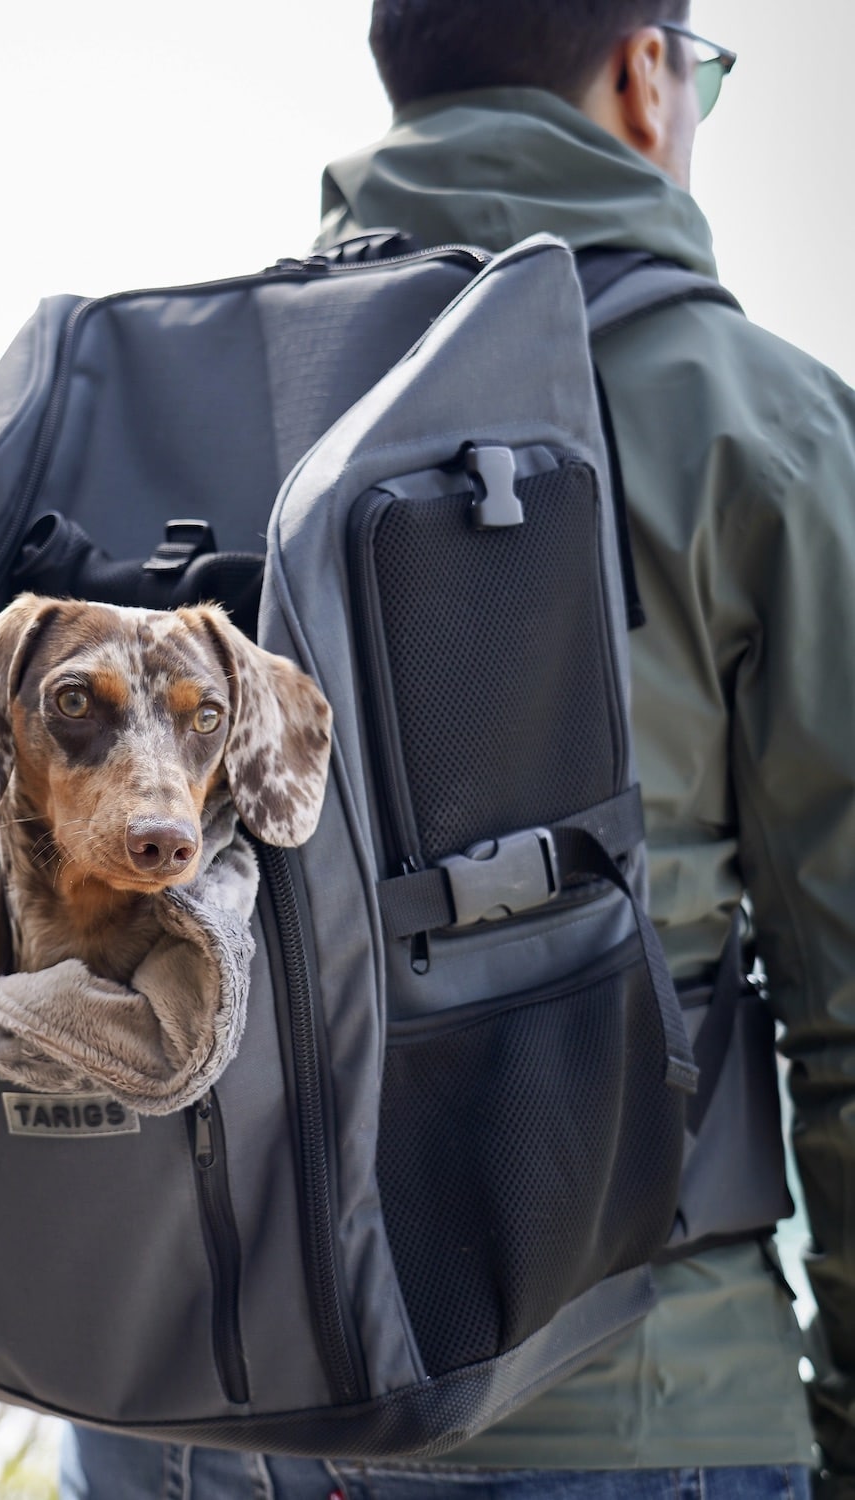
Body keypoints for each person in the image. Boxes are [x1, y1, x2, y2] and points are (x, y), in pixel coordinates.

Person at [60, 3, 855, 1497]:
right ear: (645, 75)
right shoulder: (757, 426)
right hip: (628, 1413)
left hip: (184, 1411)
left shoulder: (199, 394)